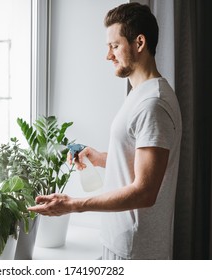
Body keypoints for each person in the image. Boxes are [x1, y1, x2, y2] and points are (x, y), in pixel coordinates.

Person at [28, 2, 182, 260]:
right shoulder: (141, 94)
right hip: (122, 242)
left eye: (114, 46)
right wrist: (99, 158)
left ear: (139, 43)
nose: (108, 55)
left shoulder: (153, 104)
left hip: (136, 251)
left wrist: (73, 205)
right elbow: (143, 162)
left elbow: (145, 191)